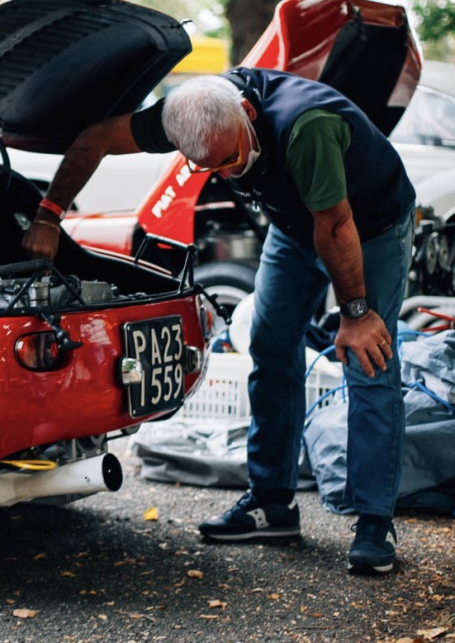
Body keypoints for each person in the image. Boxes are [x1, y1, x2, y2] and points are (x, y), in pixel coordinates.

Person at [23, 68, 415, 575]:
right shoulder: (189, 112)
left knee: (368, 359)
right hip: (297, 226)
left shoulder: (306, 127)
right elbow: (95, 138)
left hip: (369, 224)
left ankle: (372, 522)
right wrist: (49, 213)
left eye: (230, 159)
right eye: (209, 167)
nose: (228, 174)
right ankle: (272, 504)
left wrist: (356, 314)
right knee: (272, 348)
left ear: (248, 115)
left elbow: (336, 225)